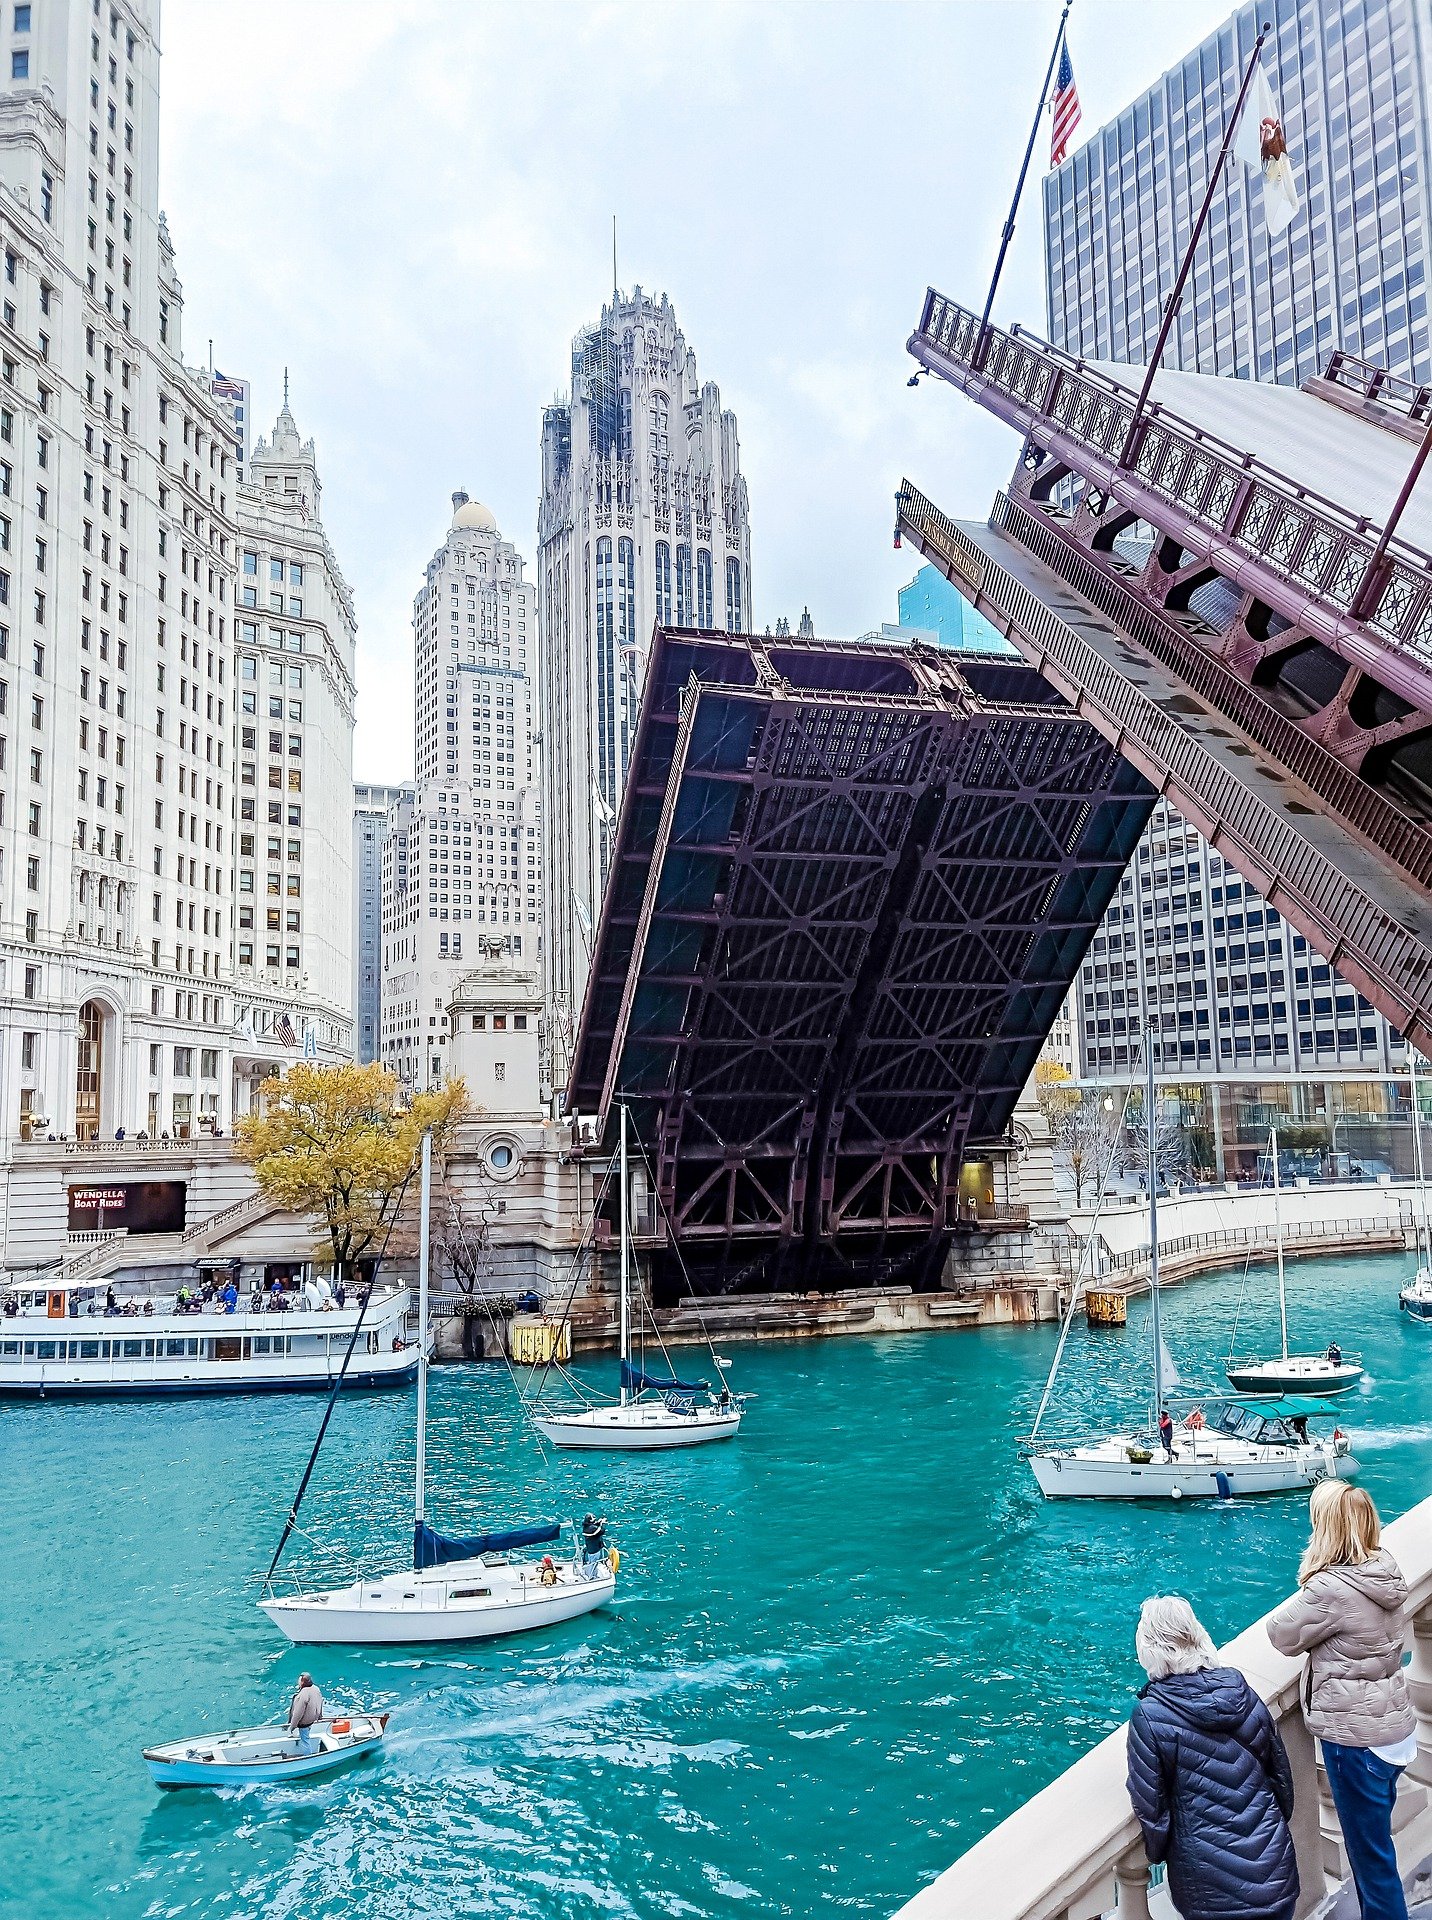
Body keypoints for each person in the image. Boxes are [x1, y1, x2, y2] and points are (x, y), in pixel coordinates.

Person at [1268, 1482, 1415, 1920]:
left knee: (1373, 1864)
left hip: (1358, 1740)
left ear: (1326, 1529)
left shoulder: (1331, 1590)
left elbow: (1281, 1635)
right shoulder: (1383, 1569)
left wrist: (1314, 1576)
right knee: (1373, 1850)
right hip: (1393, 1725)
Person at [1127, 1596, 1297, 1920]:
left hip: (1211, 1892)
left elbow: (1152, 1810)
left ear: (1149, 1649)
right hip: (1277, 1873)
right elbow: (1282, 1782)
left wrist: (1161, 1854)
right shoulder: (1242, 1691)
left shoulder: (1150, 1716)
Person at [287, 1672, 324, 1752]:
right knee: (306, 1734)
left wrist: (292, 1726)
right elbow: (320, 1702)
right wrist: (320, 1715)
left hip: (304, 1722)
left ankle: (308, 1756)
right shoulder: (316, 1689)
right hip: (312, 1719)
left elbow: (298, 1713)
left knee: (305, 1740)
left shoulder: (303, 1694)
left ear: (302, 1682)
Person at [580, 1513, 608, 1578]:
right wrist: (602, 1524)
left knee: (591, 1562)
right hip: (595, 1550)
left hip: (590, 1549)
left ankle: (593, 1574)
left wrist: (598, 1523)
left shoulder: (586, 1528)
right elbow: (601, 1531)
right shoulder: (592, 1529)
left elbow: (593, 1527)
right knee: (594, 1563)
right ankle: (591, 1577)